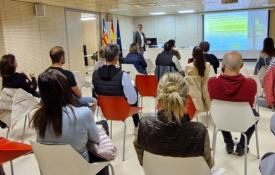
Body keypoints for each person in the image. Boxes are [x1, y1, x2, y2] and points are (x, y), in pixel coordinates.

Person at [31, 70, 109, 175]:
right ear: (65, 89)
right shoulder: (84, 113)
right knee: (103, 125)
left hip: (53, 170)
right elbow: (96, 139)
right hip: (81, 169)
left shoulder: (38, 118)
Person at [134, 72, 213, 168]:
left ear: (158, 101)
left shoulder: (143, 126)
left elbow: (143, 162)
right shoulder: (200, 132)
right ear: (187, 101)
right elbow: (208, 166)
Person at [208, 51, 258, 156]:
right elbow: (251, 104)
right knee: (255, 115)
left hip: (221, 120)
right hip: (243, 120)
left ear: (222, 65)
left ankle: (228, 142)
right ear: (242, 66)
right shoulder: (251, 83)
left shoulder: (212, 82)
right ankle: (242, 145)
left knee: (220, 112)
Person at [92, 44, 140, 130]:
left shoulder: (95, 74)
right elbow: (132, 100)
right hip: (121, 112)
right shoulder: (123, 75)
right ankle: (137, 127)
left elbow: (95, 93)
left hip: (104, 111)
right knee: (134, 94)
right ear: (117, 57)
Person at [185, 46, 211, 115]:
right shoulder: (207, 65)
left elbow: (186, 82)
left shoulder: (188, 66)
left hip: (193, 96)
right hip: (205, 94)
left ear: (193, 54)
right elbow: (206, 79)